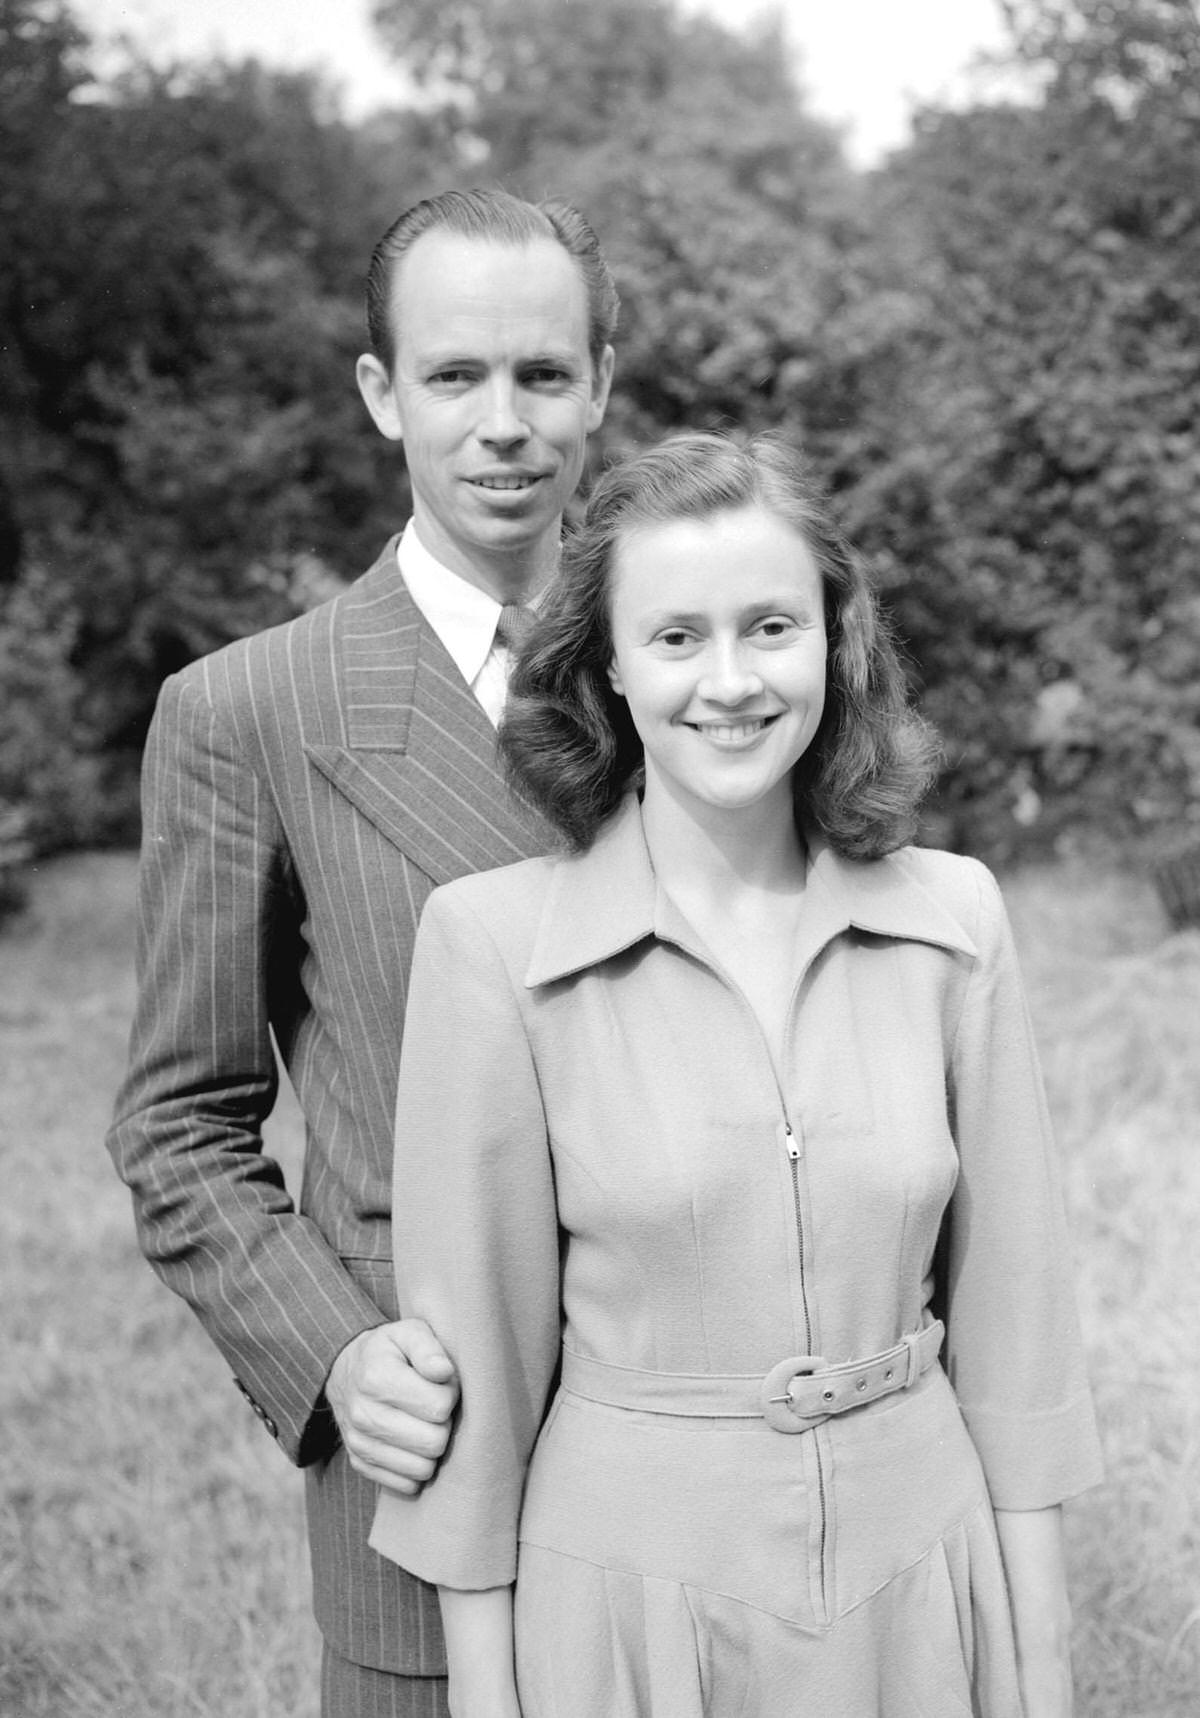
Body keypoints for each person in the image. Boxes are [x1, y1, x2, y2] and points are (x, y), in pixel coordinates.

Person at [369, 431, 1103, 1718]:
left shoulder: (957, 919)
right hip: (632, 1613)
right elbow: (474, 1394)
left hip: (922, 1584)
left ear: (837, 638)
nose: (730, 681)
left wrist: (1040, 1675)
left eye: (771, 626)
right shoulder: (492, 947)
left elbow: (1018, 1339)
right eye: (675, 636)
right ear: (605, 662)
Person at [105, 187, 616, 1717]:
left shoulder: (709, 671)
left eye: (542, 374)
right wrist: (334, 1353)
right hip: (439, 1431)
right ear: (383, 395)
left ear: (601, 382)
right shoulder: (249, 710)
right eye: (456, 377)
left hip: (708, 1438)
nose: (505, 422)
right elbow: (178, 1125)